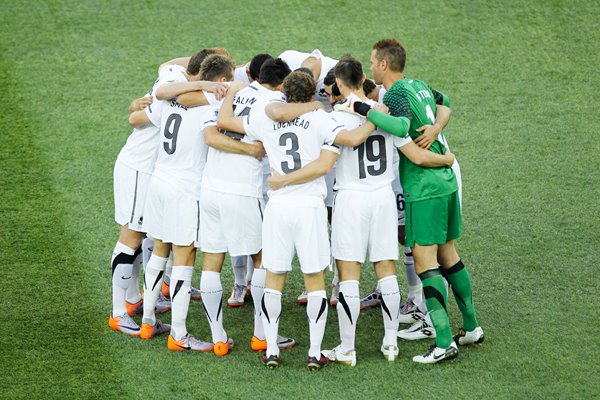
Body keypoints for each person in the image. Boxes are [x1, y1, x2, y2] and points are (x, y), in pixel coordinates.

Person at [268, 56, 454, 366]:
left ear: (338, 84)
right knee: (386, 270)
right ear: (364, 76)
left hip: (351, 199)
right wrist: (445, 158)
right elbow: (411, 149)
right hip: (382, 197)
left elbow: (342, 141)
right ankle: (391, 344)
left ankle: (347, 348)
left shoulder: (334, 118)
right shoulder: (387, 114)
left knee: (349, 274)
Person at [352, 38, 483, 364]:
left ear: (384, 64)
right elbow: (446, 100)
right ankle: (471, 328)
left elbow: (400, 126)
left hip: (425, 189)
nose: (371, 67)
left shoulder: (395, 95)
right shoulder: (420, 86)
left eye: (372, 61)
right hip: (447, 182)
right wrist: (438, 126)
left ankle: (442, 342)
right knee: (449, 255)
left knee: (426, 264)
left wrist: (362, 108)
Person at [108, 53, 227, 336]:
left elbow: (140, 112)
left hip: (157, 171)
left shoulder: (178, 79)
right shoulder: (176, 83)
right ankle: (117, 312)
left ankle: (137, 299)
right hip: (140, 166)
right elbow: (138, 115)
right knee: (132, 236)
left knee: (150, 236)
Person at [141, 54, 244, 354]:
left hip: (159, 180)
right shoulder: (212, 102)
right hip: (184, 188)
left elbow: (162, 93)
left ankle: (148, 321)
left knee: (160, 251)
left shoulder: (172, 91)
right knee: (184, 259)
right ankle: (180, 334)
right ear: (218, 80)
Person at [200, 58, 296, 353]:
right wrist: (251, 149)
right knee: (264, 259)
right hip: (242, 190)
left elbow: (212, 132)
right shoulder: (276, 101)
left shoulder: (235, 90)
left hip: (210, 187)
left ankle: (218, 338)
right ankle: (261, 335)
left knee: (211, 261)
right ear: (281, 84)